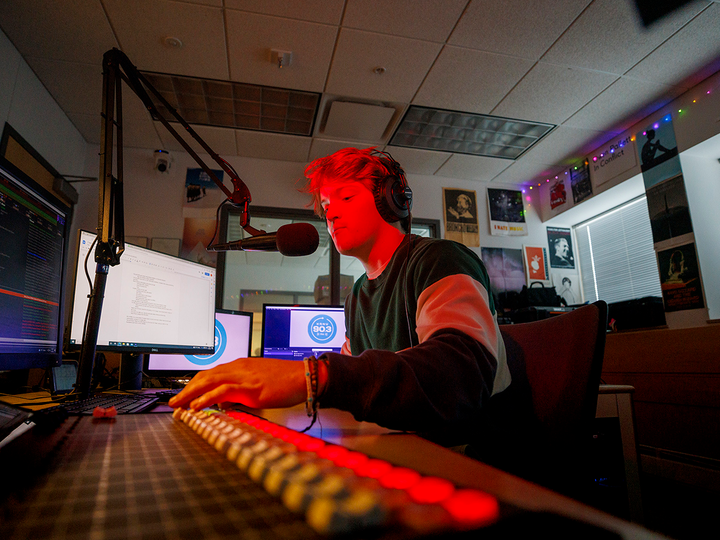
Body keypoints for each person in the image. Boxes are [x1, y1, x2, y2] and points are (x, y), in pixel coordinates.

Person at [170, 147, 527, 451]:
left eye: (346, 197)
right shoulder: (358, 294)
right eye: (326, 204)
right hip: (409, 447)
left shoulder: (440, 259)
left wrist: (310, 376)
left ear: (392, 200)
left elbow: (459, 374)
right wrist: (268, 385)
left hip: (478, 460)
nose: (331, 213)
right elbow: (354, 370)